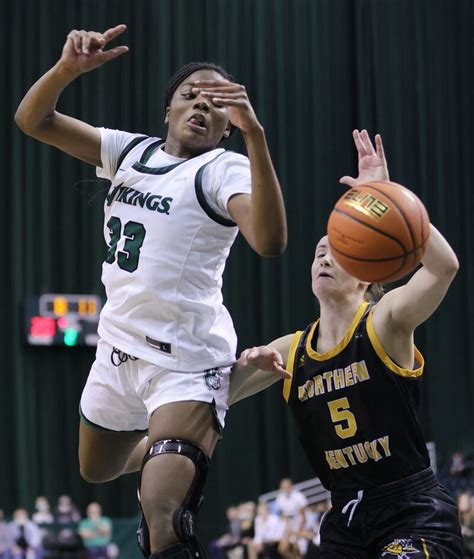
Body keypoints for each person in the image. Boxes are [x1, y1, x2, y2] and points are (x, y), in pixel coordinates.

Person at [15, 24, 287, 559]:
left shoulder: (222, 168)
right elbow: (33, 120)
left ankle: (200, 404)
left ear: (229, 125)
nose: (201, 106)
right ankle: (212, 402)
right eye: (190, 96)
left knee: (162, 518)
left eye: (217, 104)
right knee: (96, 470)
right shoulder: (129, 153)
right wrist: (66, 70)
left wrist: (256, 137)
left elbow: (270, 242)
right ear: (168, 110)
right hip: (117, 348)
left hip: (184, 360)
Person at [229, 130, 463, 557]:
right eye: (319, 251)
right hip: (344, 521)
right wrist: (244, 362)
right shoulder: (293, 350)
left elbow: (444, 267)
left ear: (366, 269)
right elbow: (214, 396)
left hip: (413, 511)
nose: (322, 256)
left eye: (336, 250)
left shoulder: (384, 321)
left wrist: (387, 198)